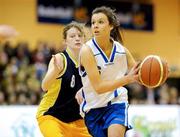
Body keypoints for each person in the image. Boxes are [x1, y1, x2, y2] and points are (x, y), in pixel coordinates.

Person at [79, 6, 140, 137]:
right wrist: (127, 79)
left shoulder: (121, 50)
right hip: (93, 108)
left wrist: (160, 73)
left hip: (117, 102)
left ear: (111, 26)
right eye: (93, 22)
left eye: (100, 22)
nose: (95, 26)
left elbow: (139, 75)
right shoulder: (87, 50)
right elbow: (99, 88)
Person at [36, 22, 91, 137]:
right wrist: (55, 71)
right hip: (51, 116)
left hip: (77, 121)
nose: (77, 38)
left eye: (80, 35)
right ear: (65, 41)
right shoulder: (59, 59)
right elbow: (44, 86)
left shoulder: (89, 62)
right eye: (72, 36)